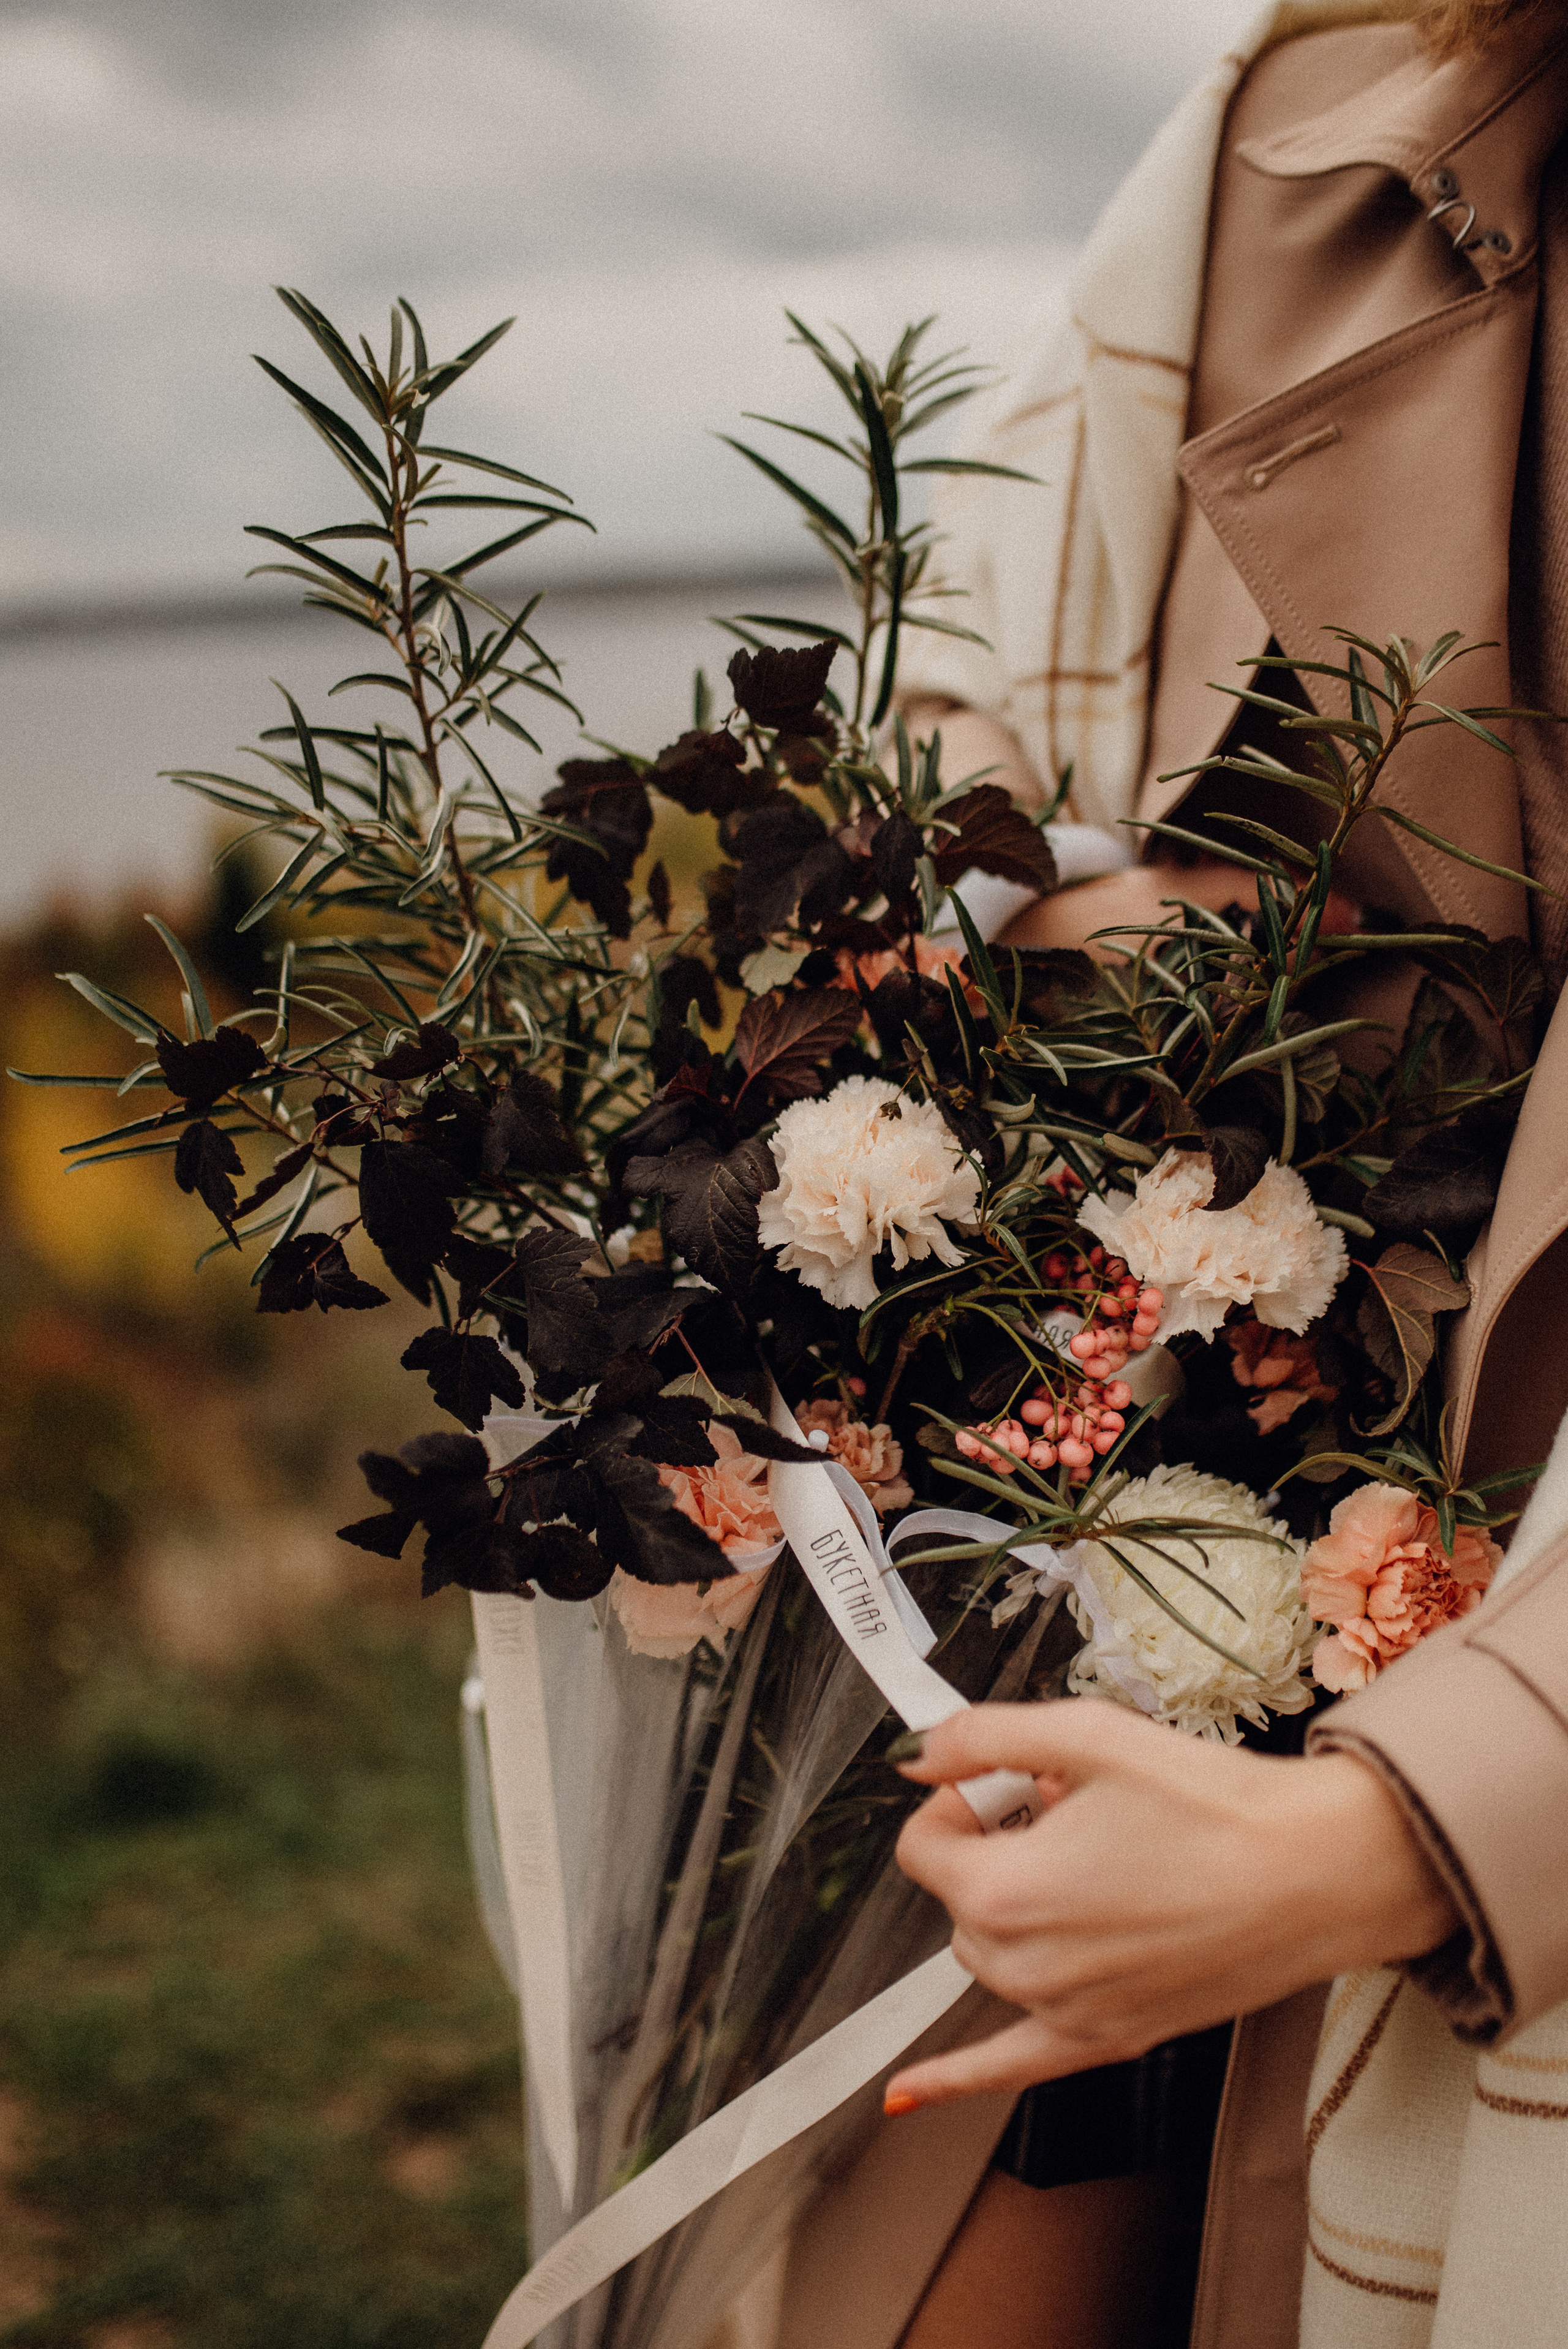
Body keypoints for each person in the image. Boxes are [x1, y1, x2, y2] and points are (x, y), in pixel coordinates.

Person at [767, 6, 1568, 2346]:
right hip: (1154, 1648)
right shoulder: (1292, 148)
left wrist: (1415, 1823)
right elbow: (946, 711)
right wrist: (1034, 935)